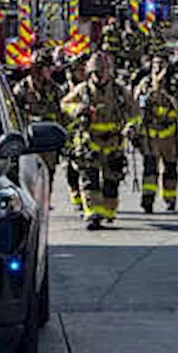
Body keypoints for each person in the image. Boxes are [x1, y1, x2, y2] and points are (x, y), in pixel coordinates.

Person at [61, 52, 139, 230]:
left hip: (113, 143)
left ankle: (108, 212)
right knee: (90, 179)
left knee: (112, 182)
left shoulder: (120, 91)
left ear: (109, 71)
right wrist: (78, 108)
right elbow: (64, 104)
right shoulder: (83, 90)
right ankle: (92, 215)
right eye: (95, 72)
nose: (99, 75)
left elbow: (135, 112)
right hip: (90, 143)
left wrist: (131, 127)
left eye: (102, 71)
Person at [135, 53, 178, 213]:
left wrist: (175, 94)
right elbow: (135, 105)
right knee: (150, 170)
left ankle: (170, 200)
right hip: (150, 136)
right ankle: (148, 201)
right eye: (155, 65)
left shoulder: (175, 85)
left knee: (170, 170)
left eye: (161, 64)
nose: (158, 68)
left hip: (170, 136)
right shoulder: (145, 84)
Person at [13, 51, 63, 182]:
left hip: (49, 145)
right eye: (48, 68)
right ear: (38, 69)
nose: (50, 71)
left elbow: (62, 114)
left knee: (47, 179)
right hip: (29, 144)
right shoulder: (22, 90)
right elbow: (13, 116)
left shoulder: (55, 90)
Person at [61, 54, 90, 212]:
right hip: (68, 135)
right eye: (76, 70)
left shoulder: (87, 89)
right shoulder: (64, 90)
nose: (79, 73)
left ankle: (87, 199)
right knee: (70, 169)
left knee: (87, 168)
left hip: (85, 134)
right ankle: (76, 195)